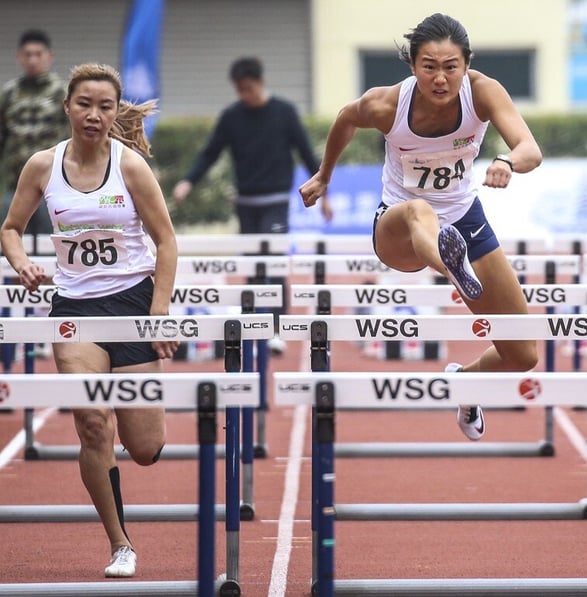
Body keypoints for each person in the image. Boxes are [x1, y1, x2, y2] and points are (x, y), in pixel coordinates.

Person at [299, 13, 541, 441]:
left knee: (522, 353)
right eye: (429, 66)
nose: (441, 78)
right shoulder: (387, 104)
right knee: (420, 211)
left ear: (467, 66)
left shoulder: (483, 93)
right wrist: (323, 176)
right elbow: (344, 118)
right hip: (397, 227)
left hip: (464, 220)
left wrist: (505, 161)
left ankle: (464, 380)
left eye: (451, 67)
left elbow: (529, 149)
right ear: (413, 66)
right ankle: (452, 266)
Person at [0, 63, 178, 577]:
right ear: (67, 108)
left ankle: (125, 436)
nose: (94, 115)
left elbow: (166, 241)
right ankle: (121, 542)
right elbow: (10, 228)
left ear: (114, 112)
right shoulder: (42, 165)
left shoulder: (131, 168)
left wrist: (159, 313)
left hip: (132, 301)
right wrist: (22, 263)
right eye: (84, 105)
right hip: (75, 309)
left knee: (145, 449)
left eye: (104, 107)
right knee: (93, 425)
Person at [173, 56, 322, 355]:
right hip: (247, 202)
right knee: (252, 265)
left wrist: (325, 193)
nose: (246, 94)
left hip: (276, 200)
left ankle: (277, 327)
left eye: (250, 88)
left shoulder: (284, 113)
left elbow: (306, 152)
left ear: (261, 82)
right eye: (240, 90)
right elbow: (210, 153)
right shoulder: (231, 117)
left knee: (274, 261)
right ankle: (256, 327)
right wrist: (188, 181)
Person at [1, 29, 68, 238]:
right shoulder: (9, 93)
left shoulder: (62, 92)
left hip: (52, 187)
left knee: (52, 245)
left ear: (49, 56)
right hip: (16, 186)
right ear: (19, 56)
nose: (32, 60)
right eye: (27, 54)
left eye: (38, 54)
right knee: (10, 243)